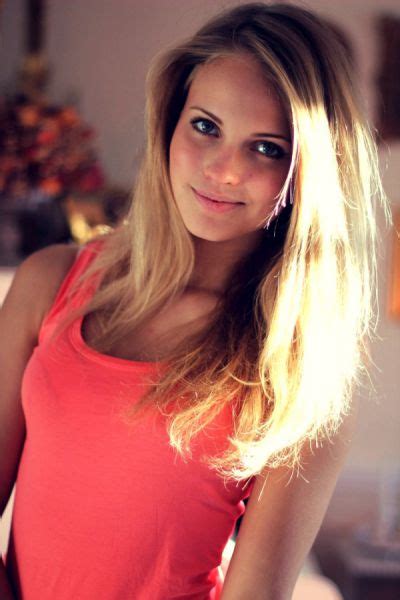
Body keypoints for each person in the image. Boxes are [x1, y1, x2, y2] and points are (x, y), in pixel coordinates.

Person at [0, 2, 387, 599]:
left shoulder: (302, 371)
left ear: (309, 172)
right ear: (169, 123)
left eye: (267, 148)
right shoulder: (48, 283)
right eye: (206, 126)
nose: (224, 170)